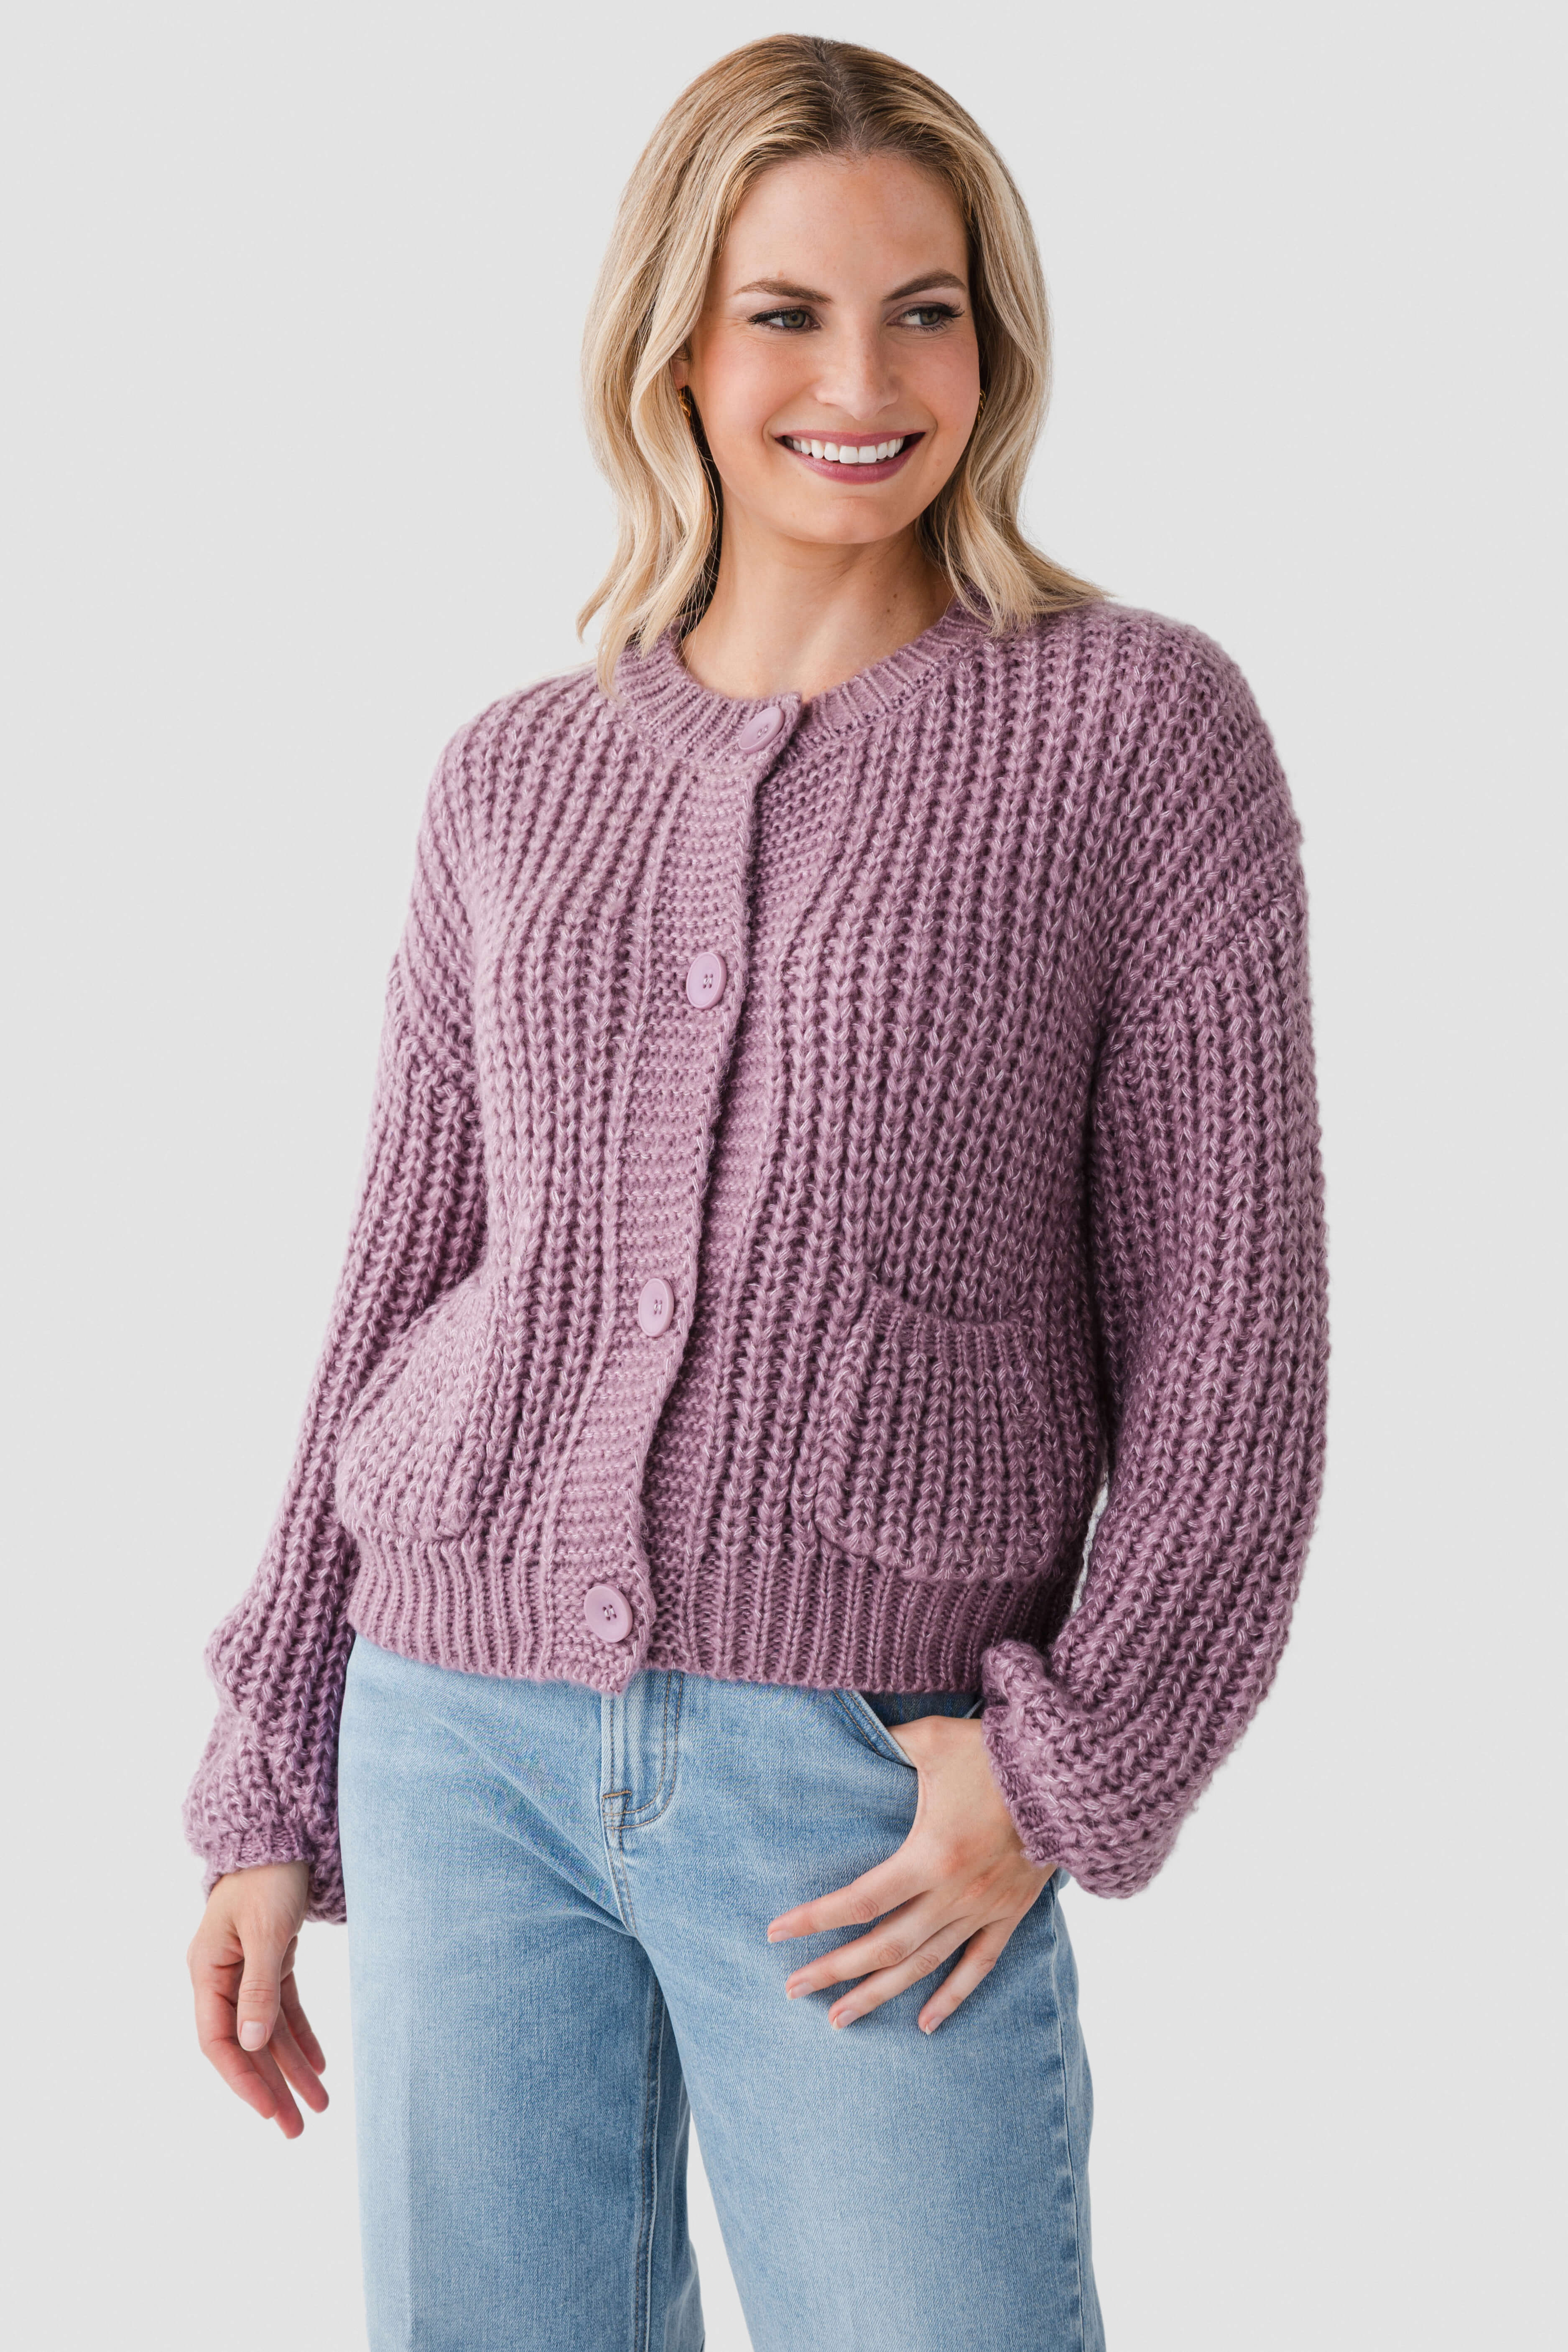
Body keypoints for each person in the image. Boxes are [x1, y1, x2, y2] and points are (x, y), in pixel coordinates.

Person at [184, 34, 1328, 2352]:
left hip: (866, 1779)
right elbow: (406, 1272)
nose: (862, 383)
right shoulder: (517, 774)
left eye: (926, 312)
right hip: (456, 1727)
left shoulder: (1133, 734)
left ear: (995, 342)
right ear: (674, 347)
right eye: (785, 313)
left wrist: (1073, 1762)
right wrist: (272, 1768)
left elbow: (1239, 1331)